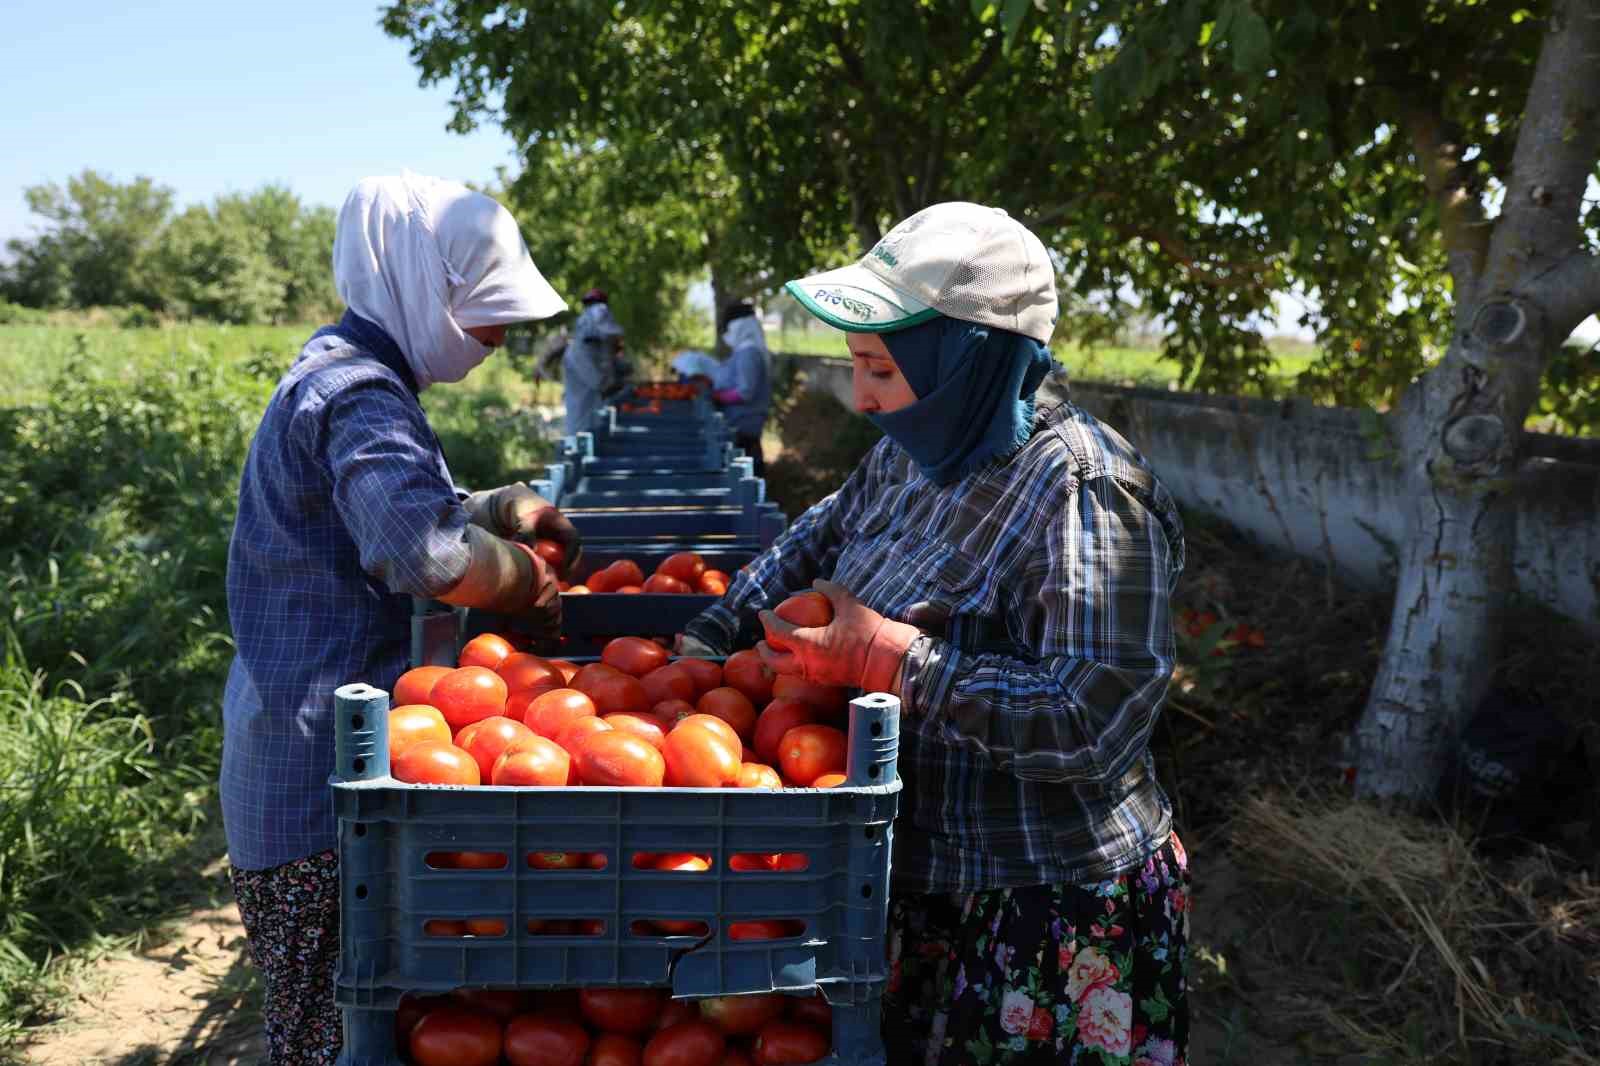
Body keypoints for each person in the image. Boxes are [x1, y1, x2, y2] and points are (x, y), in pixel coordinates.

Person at [680, 202, 1190, 1065]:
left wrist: (890, 658)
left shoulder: (1085, 493)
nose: (863, 395)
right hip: (920, 890)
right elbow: (818, 538)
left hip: (1039, 914)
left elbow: (1095, 724)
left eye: (880, 367)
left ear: (970, 362)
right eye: (856, 364)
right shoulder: (912, 456)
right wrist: (709, 638)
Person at [220, 171, 583, 1066]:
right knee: (335, 1032)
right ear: (419, 281)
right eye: (483, 310)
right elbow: (421, 552)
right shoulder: (358, 394)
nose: (498, 336)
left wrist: (499, 508)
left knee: (359, 1021)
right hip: (313, 783)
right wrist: (521, 584)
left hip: (316, 757)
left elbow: (409, 505)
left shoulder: (356, 374)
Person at [709, 300, 773, 476]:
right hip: (742, 426)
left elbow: (745, 392)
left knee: (746, 479)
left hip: (745, 428)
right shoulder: (745, 351)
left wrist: (718, 397)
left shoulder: (749, 353)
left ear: (740, 326)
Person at [562, 286, 626, 435]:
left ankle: (578, 439)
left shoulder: (584, 317)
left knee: (581, 403)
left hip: (577, 359)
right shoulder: (599, 310)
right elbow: (611, 334)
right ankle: (581, 440)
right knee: (586, 404)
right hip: (584, 361)